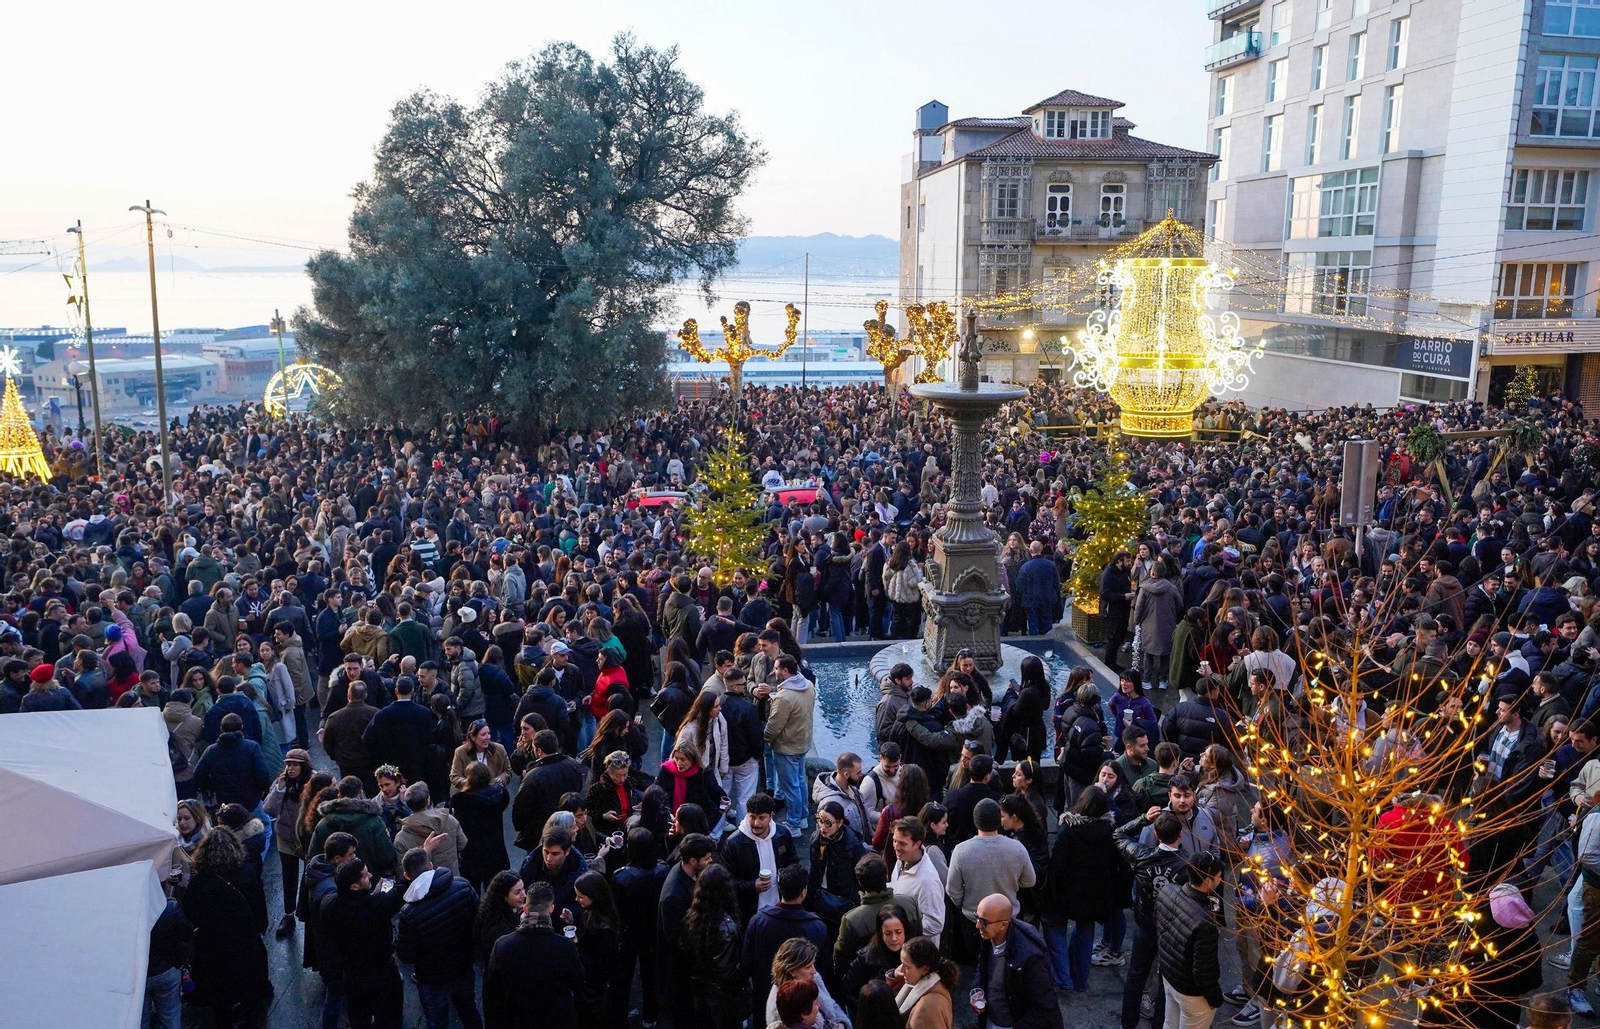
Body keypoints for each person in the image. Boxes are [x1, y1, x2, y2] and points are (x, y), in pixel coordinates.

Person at [182, 827, 272, 1028]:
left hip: (212, 947)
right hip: (245, 942)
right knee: (249, 991)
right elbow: (258, 903)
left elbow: (190, 913)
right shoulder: (245, 873)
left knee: (220, 999)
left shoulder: (199, 883)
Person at [1114, 809, 1189, 1029]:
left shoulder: (1142, 857)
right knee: (1167, 979)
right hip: (1172, 930)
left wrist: (1142, 819)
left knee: (1137, 974)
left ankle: (1128, 1022)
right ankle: (1159, 1023)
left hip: (1146, 925)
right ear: (1181, 834)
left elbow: (1118, 834)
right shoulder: (1188, 865)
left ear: (1156, 835)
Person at [395, 845, 482, 1029]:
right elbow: (478, 922)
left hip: (432, 978)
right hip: (463, 966)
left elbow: (406, 955)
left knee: (437, 1022)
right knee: (469, 1010)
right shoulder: (462, 885)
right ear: (431, 865)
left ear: (407, 876)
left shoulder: (409, 914)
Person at [1045, 785, 1118, 992]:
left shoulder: (1069, 830)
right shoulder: (1109, 830)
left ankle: (1063, 977)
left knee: (1055, 928)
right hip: (1095, 893)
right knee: (1086, 933)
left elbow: (1057, 864)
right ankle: (1080, 980)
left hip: (1068, 891)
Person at [484, 880, 585, 1029]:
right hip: (556, 1020)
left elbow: (492, 992)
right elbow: (578, 982)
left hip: (518, 1020)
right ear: (551, 909)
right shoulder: (565, 947)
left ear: (525, 908)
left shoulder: (502, 945)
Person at [946, 799, 1036, 959]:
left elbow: (952, 889)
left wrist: (963, 904)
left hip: (974, 919)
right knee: (1006, 965)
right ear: (998, 820)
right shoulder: (1017, 848)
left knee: (979, 966)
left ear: (975, 821)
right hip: (1007, 920)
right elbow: (1030, 881)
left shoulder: (961, 851)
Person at [743, 864, 832, 1016]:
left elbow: (746, 964)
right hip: (804, 1007)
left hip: (765, 1002)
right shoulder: (817, 927)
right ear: (803, 892)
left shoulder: (758, 922)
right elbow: (826, 971)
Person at [972, 893, 1062, 1029]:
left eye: (984, 921)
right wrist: (977, 989)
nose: (978, 925)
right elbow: (983, 966)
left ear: (1003, 925)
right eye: (977, 917)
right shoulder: (988, 936)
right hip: (992, 1020)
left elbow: (1044, 1007)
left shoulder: (1030, 958)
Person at [1156, 852, 1225, 1029]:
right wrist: (1215, 998)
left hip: (1169, 976)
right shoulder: (1206, 922)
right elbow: (1203, 969)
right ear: (1208, 880)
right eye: (1218, 877)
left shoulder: (1167, 891)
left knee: (1169, 1023)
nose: (1220, 881)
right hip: (1191, 993)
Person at [681, 863, 750, 1029]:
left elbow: (684, 948)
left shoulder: (692, 916)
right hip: (723, 995)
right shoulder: (727, 929)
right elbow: (729, 971)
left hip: (700, 985)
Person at [660, 833, 718, 1028]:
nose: (711, 861)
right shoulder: (673, 895)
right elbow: (675, 937)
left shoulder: (688, 874)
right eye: (707, 858)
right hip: (683, 966)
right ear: (693, 861)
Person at [720, 791, 803, 922]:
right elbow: (725, 881)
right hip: (749, 912)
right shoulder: (733, 843)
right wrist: (752, 885)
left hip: (780, 906)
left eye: (761, 818)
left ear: (771, 816)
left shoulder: (783, 835)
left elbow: (793, 862)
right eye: (752, 817)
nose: (756, 823)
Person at [836, 852, 923, 974]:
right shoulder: (909, 903)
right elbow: (919, 939)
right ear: (886, 875)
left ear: (860, 883)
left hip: (872, 982)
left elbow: (842, 958)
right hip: (911, 973)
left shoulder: (852, 920)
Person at [261, 747, 313, 938]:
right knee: (289, 877)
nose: (290, 768)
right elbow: (269, 810)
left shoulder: (314, 783)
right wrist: (280, 789)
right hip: (286, 837)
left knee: (311, 874)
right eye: (288, 765)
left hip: (308, 838)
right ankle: (288, 914)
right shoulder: (280, 783)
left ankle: (309, 910)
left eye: (295, 765)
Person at [568, 870, 627, 1029]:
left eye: (581, 897)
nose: (576, 899)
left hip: (597, 991)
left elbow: (598, 966)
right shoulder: (597, 911)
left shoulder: (603, 929)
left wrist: (575, 944)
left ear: (594, 896)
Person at [766, 653, 817, 835]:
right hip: (802, 743)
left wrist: (766, 738)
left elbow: (773, 726)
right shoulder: (809, 686)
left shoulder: (784, 697)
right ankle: (802, 817)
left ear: (785, 671)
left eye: (777, 668)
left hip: (786, 746)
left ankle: (793, 824)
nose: (774, 671)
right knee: (800, 782)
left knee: (790, 786)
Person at [512, 729, 587, 850]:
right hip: (570, 825)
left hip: (541, 830)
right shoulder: (572, 765)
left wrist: (522, 826)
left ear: (539, 751)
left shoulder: (533, 776)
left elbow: (521, 806)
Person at [309, 776, 399, 876]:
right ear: (360, 793)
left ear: (339, 794)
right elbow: (387, 857)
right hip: (367, 880)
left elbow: (313, 857)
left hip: (332, 882)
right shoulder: (374, 822)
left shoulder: (323, 824)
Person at [192, 711, 276, 813]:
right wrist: (261, 790)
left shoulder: (211, 751)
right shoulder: (252, 747)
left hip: (224, 801)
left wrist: (210, 788)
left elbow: (198, 774)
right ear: (241, 727)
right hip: (251, 799)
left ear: (221, 729)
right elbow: (263, 773)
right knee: (262, 825)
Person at [809, 798, 868, 936]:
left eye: (828, 823)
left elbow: (860, 876)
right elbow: (814, 871)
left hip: (844, 898)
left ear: (840, 822)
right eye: (820, 821)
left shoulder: (853, 845)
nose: (822, 827)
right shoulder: (816, 839)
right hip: (821, 894)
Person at [450, 762, 511, 892]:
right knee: (495, 890)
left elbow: (459, 824)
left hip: (472, 851)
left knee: (472, 889)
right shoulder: (500, 794)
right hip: (495, 846)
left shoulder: (461, 801)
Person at [768, 936, 852, 1028]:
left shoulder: (813, 978)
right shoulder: (781, 1005)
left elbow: (831, 1005)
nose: (814, 971)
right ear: (791, 970)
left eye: (813, 964)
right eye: (808, 967)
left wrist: (843, 1024)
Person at [394, 782, 468, 878]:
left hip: (425, 887)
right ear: (428, 800)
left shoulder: (401, 838)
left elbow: (403, 870)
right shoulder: (449, 820)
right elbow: (462, 844)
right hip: (452, 880)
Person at [889, 816, 946, 939]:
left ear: (917, 844)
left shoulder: (928, 881)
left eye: (902, 843)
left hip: (918, 952)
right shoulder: (902, 860)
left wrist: (901, 929)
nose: (896, 847)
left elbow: (935, 923)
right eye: (895, 841)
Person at [843, 905, 912, 1002]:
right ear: (881, 932)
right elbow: (849, 994)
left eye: (898, 932)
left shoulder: (915, 954)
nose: (894, 938)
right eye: (888, 933)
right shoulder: (865, 959)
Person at [886, 936, 956, 1029]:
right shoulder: (936, 984)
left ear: (924, 969)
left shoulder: (925, 1010)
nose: (901, 970)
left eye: (906, 966)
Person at [450, 716, 512, 794]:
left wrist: (500, 779)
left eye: (489, 733)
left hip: (493, 794)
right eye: (483, 735)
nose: (488, 737)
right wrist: (471, 783)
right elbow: (454, 776)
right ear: (472, 737)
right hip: (469, 794)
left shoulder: (500, 749)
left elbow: (508, 770)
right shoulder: (460, 752)